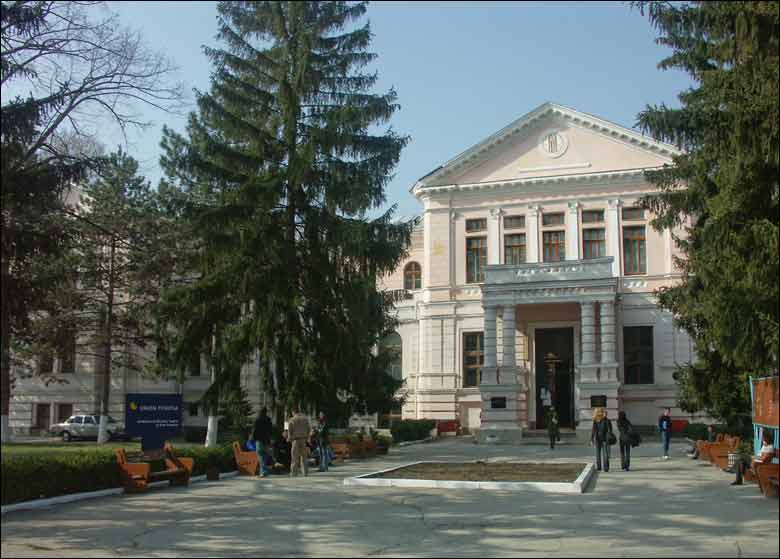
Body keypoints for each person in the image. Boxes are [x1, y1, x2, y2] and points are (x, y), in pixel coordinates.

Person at [288, 405, 311, 477]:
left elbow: (290, 430)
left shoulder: (292, 419)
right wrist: (307, 437)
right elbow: (309, 429)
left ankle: (294, 473)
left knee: (294, 457)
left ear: (293, 412)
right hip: (303, 439)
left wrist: (289, 438)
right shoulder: (305, 419)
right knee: (304, 457)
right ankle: (305, 472)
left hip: (295, 440)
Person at [251, 407, 273, 477]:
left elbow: (254, 430)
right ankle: (264, 471)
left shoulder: (257, 420)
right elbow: (271, 430)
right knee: (265, 455)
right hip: (267, 440)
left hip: (259, 440)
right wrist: (270, 438)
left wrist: (253, 438)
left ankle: (263, 471)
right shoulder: (268, 420)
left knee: (260, 455)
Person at [591, 407, 613, 472]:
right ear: (602, 412)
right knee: (605, 453)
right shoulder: (606, 420)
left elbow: (593, 430)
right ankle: (606, 468)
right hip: (605, 439)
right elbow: (610, 430)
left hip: (597, 438)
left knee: (598, 453)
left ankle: (599, 467)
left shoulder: (595, 420)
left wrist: (592, 439)